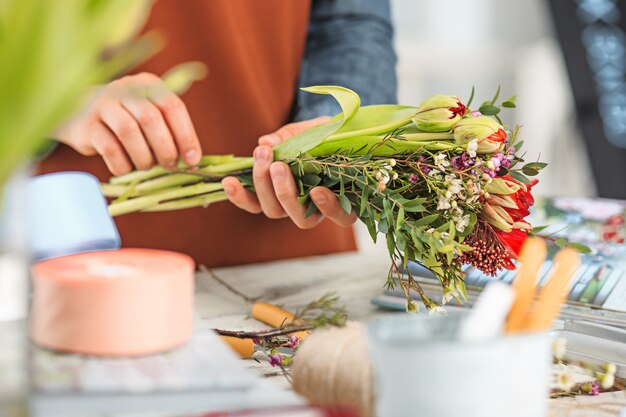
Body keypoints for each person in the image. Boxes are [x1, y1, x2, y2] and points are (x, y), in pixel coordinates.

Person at [39, 0, 397, 266]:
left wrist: (332, 130)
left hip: (298, 251)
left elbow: (351, 22)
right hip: (81, 250)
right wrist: (50, 105)